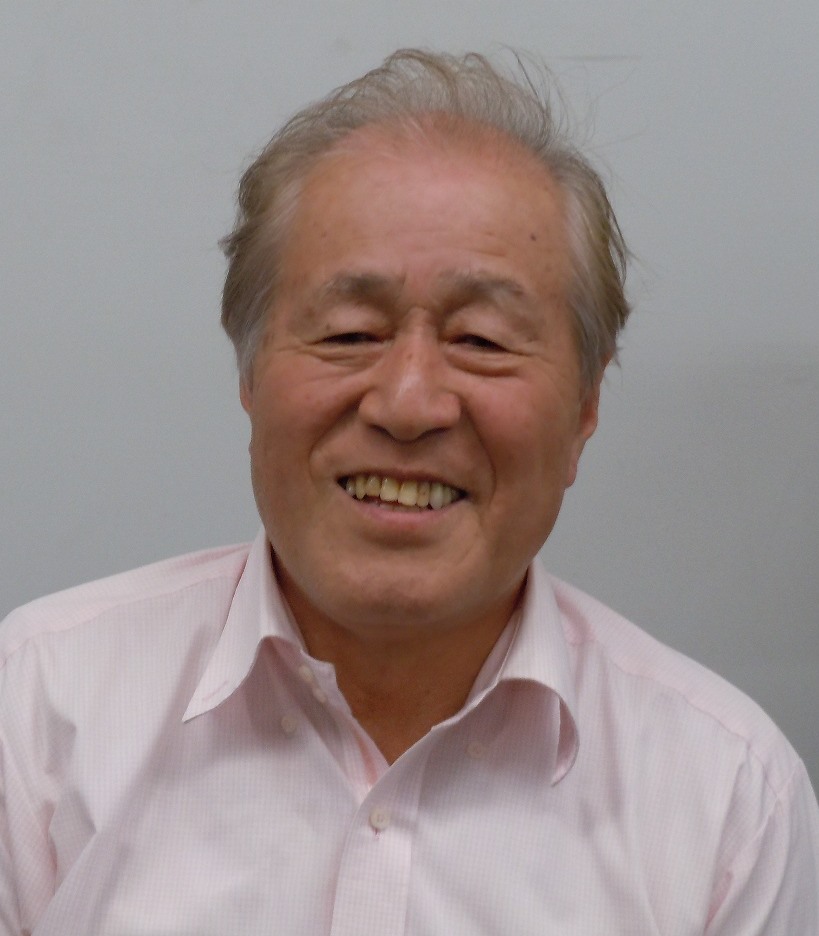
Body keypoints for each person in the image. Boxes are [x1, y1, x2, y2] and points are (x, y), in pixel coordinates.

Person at [1, 48, 817, 934]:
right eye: (349, 333)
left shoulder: (728, 800)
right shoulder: (36, 711)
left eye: (482, 341)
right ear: (250, 374)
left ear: (584, 406)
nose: (408, 403)